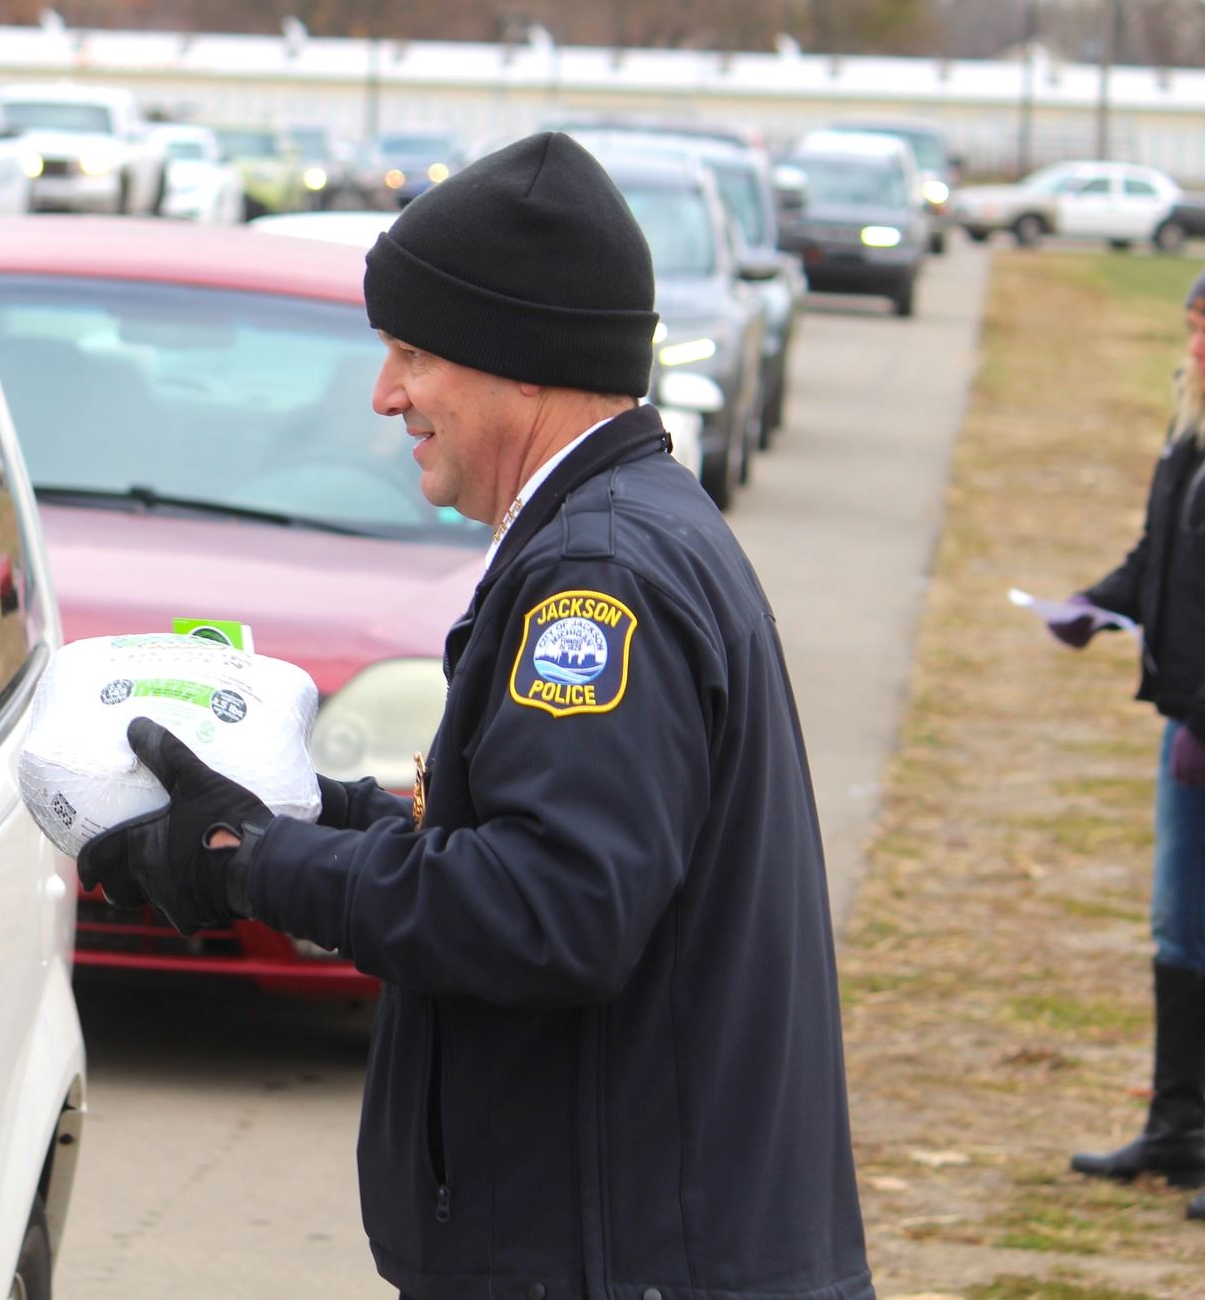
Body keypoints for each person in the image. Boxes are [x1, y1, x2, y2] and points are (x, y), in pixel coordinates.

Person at [78, 134, 873, 1300]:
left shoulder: (598, 584)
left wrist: (257, 869)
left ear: (522, 364)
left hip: (625, 1264)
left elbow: (554, 910)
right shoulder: (619, 530)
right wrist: (297, 812)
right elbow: (513, 841)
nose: (384, 393)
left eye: (411, 353)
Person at [1053, 269, 1205, 1222]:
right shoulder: (1186, 434)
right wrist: (1091, 604)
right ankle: (1179, 1129)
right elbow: (1160, 557)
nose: (1195, 349)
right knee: (1178, 928)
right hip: (1186, 728)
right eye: (1192, 329)